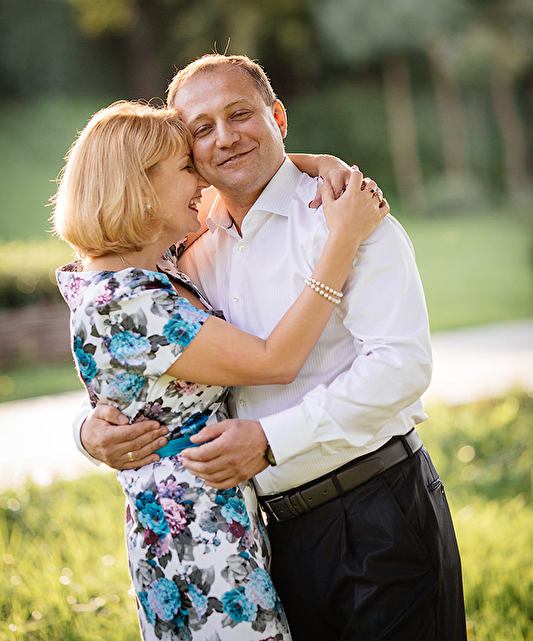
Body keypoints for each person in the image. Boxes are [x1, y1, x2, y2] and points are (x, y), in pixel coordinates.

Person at [77, 54, 467, 641]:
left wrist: (269, 440)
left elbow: (401, 366)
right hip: (268, 539)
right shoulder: (186, 250)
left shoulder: (346, 216)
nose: (225, 137)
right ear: (189, 155)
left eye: (240, 114)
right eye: (202, 129)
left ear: (277, 117)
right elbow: (133, 354)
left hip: (378, 511)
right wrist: (88, 432)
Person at [54, 99, 388, 641]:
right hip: (195, 540)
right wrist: (342, 240)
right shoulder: (126, 299)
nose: (201, 179)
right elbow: (275, 361)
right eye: (187, 167)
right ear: (140, 186)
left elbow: (248, 178)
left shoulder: (149, 265)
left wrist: (320, 165)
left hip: (217, 516)